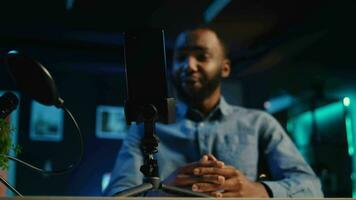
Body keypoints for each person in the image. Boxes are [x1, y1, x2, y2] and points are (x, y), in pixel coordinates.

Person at [104, 27, 324, 197]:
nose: (189, 65)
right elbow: (116, 195)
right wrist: (159, 193)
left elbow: (312, 188)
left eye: (202, 56)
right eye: (180, 57)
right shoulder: (144, 129)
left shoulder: (260, 123)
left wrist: (261, 191)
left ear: (225, 68)